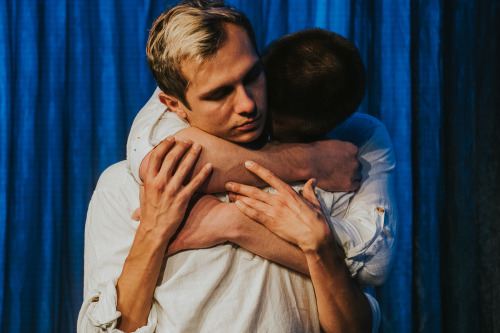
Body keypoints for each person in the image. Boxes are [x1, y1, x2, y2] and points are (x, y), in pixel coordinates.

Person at [78, 1, 396, 332]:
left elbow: (360, 316)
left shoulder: (338, 168)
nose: (248, 104)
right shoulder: (123, 188)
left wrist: (245, 225)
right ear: (173, 104)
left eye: (253, 76)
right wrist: (153, 233)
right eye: (219, 94)